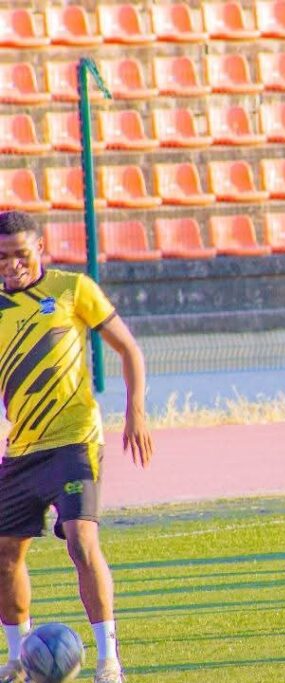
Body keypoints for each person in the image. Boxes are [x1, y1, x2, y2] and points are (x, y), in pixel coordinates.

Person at [0, 211, 154, 683]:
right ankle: (17, 658)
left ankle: (109, 660)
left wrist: (136, 411)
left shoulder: (72, 289)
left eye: (20, 255)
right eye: (2, 257)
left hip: (75, 440)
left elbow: (129, 349)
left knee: (82, 542)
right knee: (5, 554)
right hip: (21, 450)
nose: (11, 265)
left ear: (40, 249)